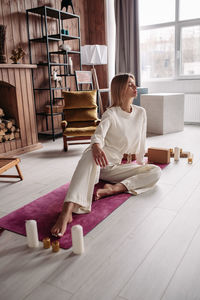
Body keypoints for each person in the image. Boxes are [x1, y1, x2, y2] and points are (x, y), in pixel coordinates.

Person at [51, 73, 161, 237]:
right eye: (130, 84)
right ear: (120, 89)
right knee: (89, 153)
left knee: (155, 171)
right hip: (104, 163)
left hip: (124, 166)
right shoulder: (111, 113)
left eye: (134, 84)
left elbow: (142, 138)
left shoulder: (141, 112)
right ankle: (67, 209)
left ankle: (114, 189)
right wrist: (95, 146)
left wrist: (140, 161)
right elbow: (98, 135)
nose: (135, 87)